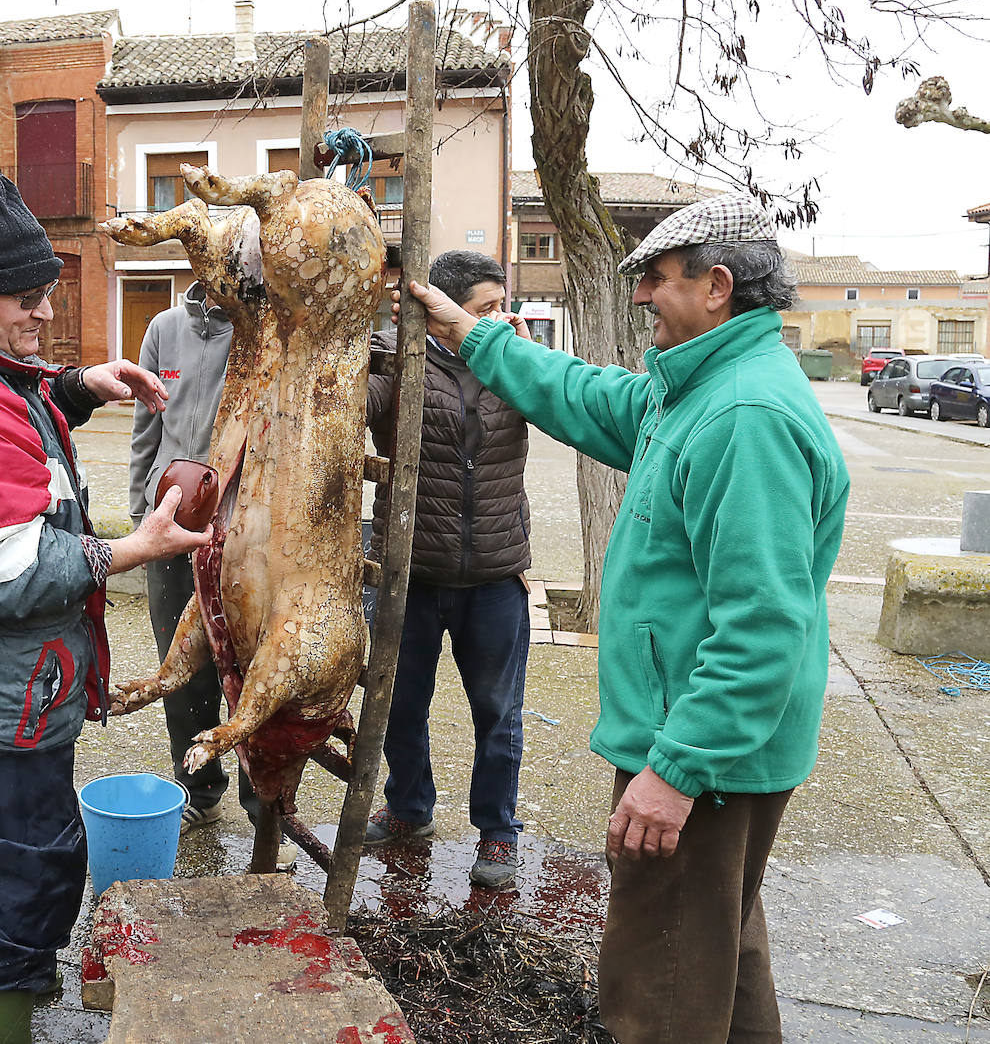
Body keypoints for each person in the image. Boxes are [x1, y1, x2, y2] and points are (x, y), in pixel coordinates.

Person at [403, 194, 849, 1044]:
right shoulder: (698, 386)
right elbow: (585, 394)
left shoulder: (743, 417)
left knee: (661, 983)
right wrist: (476, 334)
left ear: (716, 287)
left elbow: (760, 626)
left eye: (656, 279)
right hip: (712, 741)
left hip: (705, 748)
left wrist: (675, 772)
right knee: (718, 944)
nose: (641, 295)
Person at [0, 166, 211, 1044]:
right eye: (25, 299)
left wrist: (71, 389)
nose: (44, 314)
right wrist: (129, 550)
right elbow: (7, 565)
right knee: (32, 872)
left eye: (47, 293)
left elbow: (8, 411)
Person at [363, 251, 532, 891]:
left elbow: (564, 409)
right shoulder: (399, 356)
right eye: (485, 307)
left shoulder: (510, 360)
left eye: (500, 304)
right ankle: (409, 809)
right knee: (400, 705)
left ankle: (497, 831)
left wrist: (520, 358)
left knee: (497, 711)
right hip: (411, 572)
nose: (499, 316)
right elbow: (358, 406)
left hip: (493, 574)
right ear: (444, 311)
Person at [127, 280, 297, 869]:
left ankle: (261, 794)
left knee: (248, 663)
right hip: (170, 518)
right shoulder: (164, 330)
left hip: (243, 529)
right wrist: (139, 507)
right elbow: (148, 429)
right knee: (178, 665)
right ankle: (197, 787)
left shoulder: (266, 333)